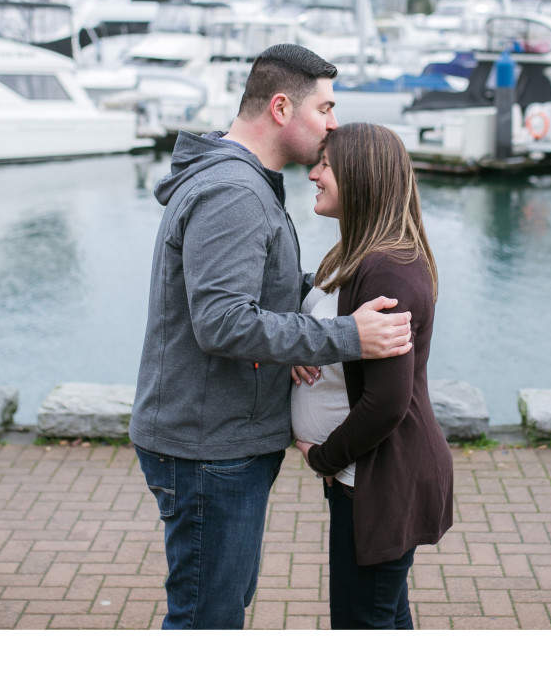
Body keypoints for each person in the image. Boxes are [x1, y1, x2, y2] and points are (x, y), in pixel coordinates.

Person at [130, 44, 415, 631]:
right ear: (282, 107)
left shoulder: (244, 182)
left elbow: (265, 288)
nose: (334, 123)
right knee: (207, 621)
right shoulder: (234, 193)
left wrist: (314, 321)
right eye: (326, 107)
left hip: (216, 439)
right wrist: (344, 336)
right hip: (208, 446)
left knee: (215, 607)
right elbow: (223, 321)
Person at [292, 121, 454, 629]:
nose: (314, 175)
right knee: (382, 616)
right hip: (362, 477)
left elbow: (388, 401)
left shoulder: (386, 269)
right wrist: (304, 341)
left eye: (325, 166)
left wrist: (324, 457)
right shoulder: (358, 255)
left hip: (381, 476)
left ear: (360, 177)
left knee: (363, 625)